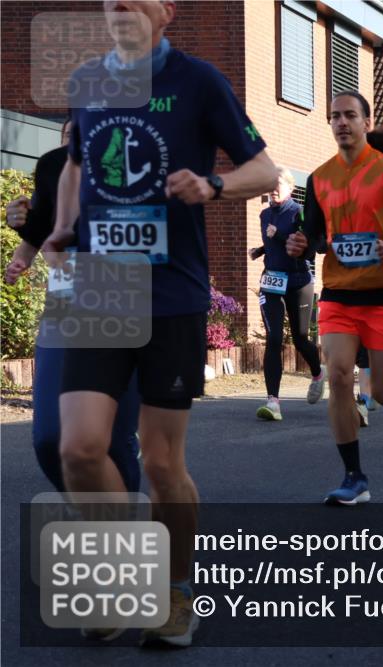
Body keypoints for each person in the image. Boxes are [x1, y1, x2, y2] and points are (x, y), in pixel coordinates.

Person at [41, 0, 279, 647]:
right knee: (78, 449)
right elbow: (77, 164)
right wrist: (61, 227)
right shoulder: (88, 81)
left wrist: (213, 185)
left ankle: (174, 592)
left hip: (171, 293)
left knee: (162, 461)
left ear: (167, 10)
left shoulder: (198, 81)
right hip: (101, 290)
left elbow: (264, 168)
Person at [286, 91, 383, 506]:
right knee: (337, 376)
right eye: (335, 116)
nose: (341, 122)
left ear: (367, 122)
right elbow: (316, 236)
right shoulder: (318, 178)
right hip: (338, 294)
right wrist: (301, 243)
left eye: (350, 115)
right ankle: (354, 477)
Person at [5, 120, 142, 495]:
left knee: (115, 439)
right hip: (65, 304)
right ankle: (89, 503)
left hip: (127, 303)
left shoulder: (139, 158)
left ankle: (118, 516)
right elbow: (38, 230)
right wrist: (20, 242)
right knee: (49, 438)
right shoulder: (52, 165)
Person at [249, 167, 326, 421]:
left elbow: (306, 246)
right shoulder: (264, 214)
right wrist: (261, 250)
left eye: (279, 184)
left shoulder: (299, 212)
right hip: (272, 280)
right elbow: (271, 242)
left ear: (291, 188)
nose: (274, 189)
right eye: (271, 184)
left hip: (298, 281)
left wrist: (279, 235)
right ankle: (273, 402)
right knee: (273, 338)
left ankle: (317, 373)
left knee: (300, 338)